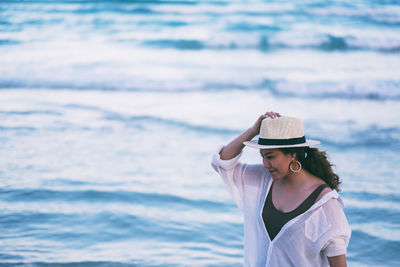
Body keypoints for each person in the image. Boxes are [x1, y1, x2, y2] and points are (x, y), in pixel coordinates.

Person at [211, 112, 351, 267]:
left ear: (292, 154)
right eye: (262, 156)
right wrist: (253, 131)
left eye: (270, 157)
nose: (265, 164)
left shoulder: (324, 205)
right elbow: (222, 162)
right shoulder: (261, 179)